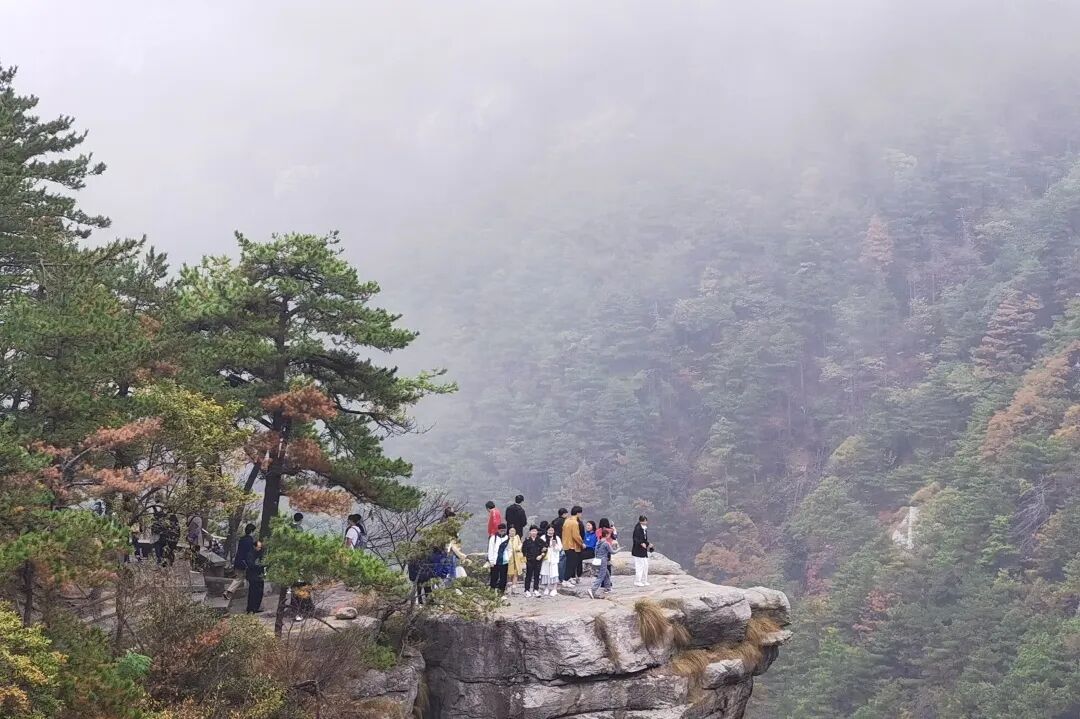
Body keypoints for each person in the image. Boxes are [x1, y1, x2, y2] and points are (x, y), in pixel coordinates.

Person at [224, 523, 257, 602]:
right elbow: (249, 553)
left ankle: (229, 591)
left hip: (238, 561)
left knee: (239, 578)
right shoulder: (249, 541)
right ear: (252, 531)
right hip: (244, 563)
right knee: (240, 578)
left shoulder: (242, 539)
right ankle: (228, 591)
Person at [588, 528, 615, 599]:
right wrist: (619, 549)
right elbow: (612, 552)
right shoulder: (606, 543)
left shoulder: (598, 542)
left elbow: (595, 552)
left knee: (607, 574)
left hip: (598, 560)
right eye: (609, 534)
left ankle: (607, 588)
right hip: (603, 561)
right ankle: (592, 589)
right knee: (601, 576)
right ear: (606, 535)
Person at [561, 506, 584, 585]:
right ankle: (565, 580)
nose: (581, 515)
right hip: (572, 546)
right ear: (578, 513)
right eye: (580, 513)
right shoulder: (574, 522)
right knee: (572, 564)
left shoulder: (567, 521)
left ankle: (567, 580)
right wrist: (581, 543)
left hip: (566, 545)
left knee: (569, 564)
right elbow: (576, 535)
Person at [487, 523, 511, 594]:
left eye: (504, 530)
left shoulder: (507, 538)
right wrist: (491, 560)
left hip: (504, 561)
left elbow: (509, 549)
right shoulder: (493, 538)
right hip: (495, 561)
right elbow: (490, 549)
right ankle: (492, 591)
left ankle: (501, 592)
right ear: (498, 530)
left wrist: (508, 557)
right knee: (494, 577)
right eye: (501, 530)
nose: (502, 532)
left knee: (503, 577)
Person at [539, 525, 562, 597]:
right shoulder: (543, 537)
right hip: (546, 558)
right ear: (547, 530)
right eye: (549, 530)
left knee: (554, 573)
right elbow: (539, 546)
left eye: (552, 530)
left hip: (554, 558)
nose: (551, 532)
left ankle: (554, 588)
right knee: (546, 573)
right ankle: (546, 588)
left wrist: (555, 546)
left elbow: (560, 548)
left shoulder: (557, 538)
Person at [521, 525, 544, 597]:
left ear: (537, 532)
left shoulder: (540, 540)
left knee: (537, 576)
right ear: (530, 532)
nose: (534, 532)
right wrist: (525, 559)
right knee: (528, 576)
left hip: (538, 561)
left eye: (535, 531)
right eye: (532, 531)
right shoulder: (527, 541)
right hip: (529, 561)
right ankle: (527, 590)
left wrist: (541, 555)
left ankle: (536, 589)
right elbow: (523, 551)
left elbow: (545, 548)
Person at [632, 515, 654, 587]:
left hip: (643, 551)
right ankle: (637, 581)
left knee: (645, 565)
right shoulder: (638, 528)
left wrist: (648, 544)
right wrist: (641, 543)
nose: (646, 522)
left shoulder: (644, 529)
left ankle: (644, 580)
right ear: (641, 521)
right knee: (639, 566)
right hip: (637, 551)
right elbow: (635, 539)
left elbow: (644, 540)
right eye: (645, 521)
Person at [245, 540, 266, 614]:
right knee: (253, 592)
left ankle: (256, 607)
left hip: (260, 575)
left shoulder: (260, 553)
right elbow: (251, 565)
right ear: (254, 547)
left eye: (260, 547)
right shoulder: (250, 554)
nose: (259, 549)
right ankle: (250, 608)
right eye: (258, 547)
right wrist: (260, 566)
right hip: (253, 576)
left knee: (259, 592)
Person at [505, 526, 525, 595]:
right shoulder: (506, 538)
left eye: (514, 531)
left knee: (516, 573)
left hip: (516, 557)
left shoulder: (517, 537)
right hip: (509, 557)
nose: (512, 532)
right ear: (509, 531)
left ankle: (514, 588)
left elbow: (520, 544)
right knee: (508, 574)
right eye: (511, 531)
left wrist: (518, 548)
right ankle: (507, 588)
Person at [552, 508, 568, 580]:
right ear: (564, 514)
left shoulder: (554, 521)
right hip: (562, 542)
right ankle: (561, 577)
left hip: (555, 541)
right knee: (562, 560)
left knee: (555, 559)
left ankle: (555, 576)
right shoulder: (565, 522)